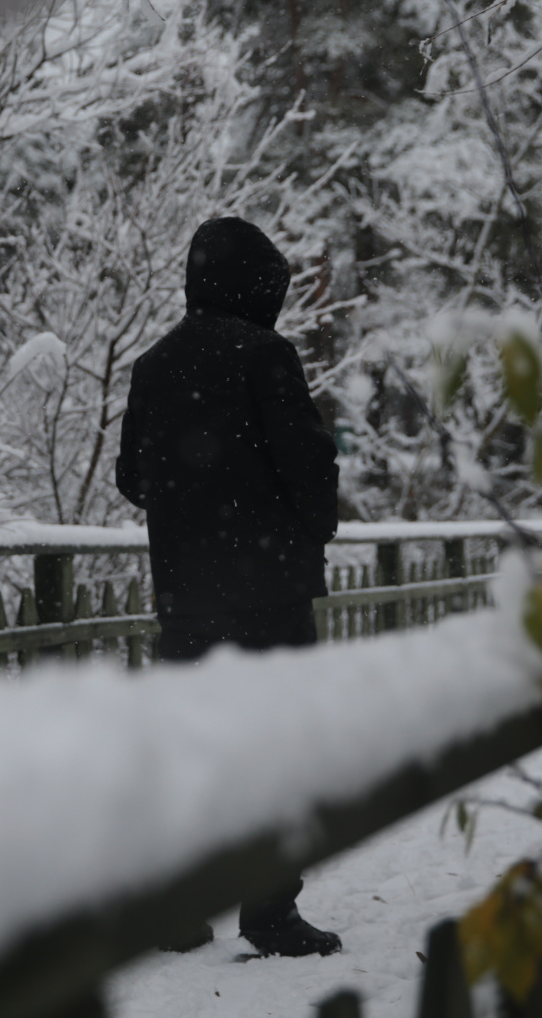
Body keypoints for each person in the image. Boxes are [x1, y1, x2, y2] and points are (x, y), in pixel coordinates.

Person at [115, 216, 343, 958]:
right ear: (256, 287)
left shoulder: (153, 366)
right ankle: (269, 910)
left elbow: (131, 479)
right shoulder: (265, 356)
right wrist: (307, 525)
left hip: (187, 595)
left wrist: (195, 504)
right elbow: (307, 464)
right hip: (268, 592)